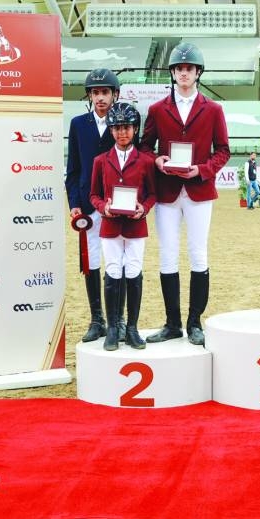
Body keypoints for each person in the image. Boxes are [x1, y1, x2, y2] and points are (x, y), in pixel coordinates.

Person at [140, 42, 231, 346]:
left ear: (197, 73)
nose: (183, 73)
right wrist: (156, 160)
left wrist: (203, 170)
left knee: (197, 252)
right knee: (167, 255)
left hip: (198, 189)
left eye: (188, 69)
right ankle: (172, 323)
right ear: (173, 73)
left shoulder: (214, 110)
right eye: (179, 69)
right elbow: (144, 147)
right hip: (167, 191)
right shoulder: (156, 110)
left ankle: (194, 321)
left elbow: (223, 151)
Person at [89, 102, 156, 351]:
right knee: (113, 271)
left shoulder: (146, 161)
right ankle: (114, 328)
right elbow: (93, 194)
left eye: (126, 127)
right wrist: (101, 207)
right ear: (110, 130)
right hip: (110, 225)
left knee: (134, 271)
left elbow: (152, 194)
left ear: (135, 129)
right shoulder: (100, 161)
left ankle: (132, 328)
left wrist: (144, 208)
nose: (122, 132)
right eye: (116, 128)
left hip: (136, 226)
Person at [65, 68, 119, 343]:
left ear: (114, 95)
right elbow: (73, 169)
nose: (100, 98)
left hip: (114, 204)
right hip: (87, 205)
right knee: (92, 261)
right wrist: (74, 204)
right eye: (95, 93)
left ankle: (115, 321)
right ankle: (96, 319)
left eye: (105, 92)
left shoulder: (122, 123)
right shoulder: (77, 124)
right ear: (89, 96)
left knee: (115, 262)